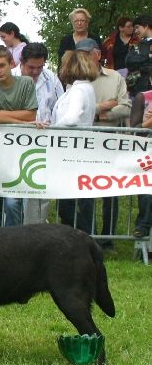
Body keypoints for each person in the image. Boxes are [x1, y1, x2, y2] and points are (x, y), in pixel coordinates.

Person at [76, 37, 131, 247]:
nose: (81, 59)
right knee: (84, 192)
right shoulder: (76, 79)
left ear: (97, 55)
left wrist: (96, 114)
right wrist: (102, 108)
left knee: (111, 194)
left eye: (85, 54)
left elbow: (125, 106)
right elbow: (78, 111)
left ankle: (108, 240)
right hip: (85, 145)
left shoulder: (115, 77)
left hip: (110, 144)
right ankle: (88, 239)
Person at [0, 47, 37, 227]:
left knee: (13, 203)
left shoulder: (27, 83)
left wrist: (2, 115)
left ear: (11, 64)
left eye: (1, 66)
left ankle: (15, 245)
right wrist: (19, 120)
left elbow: (31, 115)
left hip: (18, 152)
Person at [12, 42, 64, 224]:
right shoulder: (10, 78)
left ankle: (36, 232)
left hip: (44, 142)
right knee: (12, 197)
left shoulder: (51, 78)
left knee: (39, 192)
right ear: (22, 62)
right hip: (13, 143)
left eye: (40, 67)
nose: (35, 71)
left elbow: (59, 107)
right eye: (31, 67)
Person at [52, 50, 97, 233]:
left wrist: (52, 128)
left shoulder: (78, 90)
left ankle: (85, 241)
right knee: (71, 204)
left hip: (71, 152)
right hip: (78, 150)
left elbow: (72, 118)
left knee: (67, 206)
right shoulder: (85, 88)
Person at [129, 87, 152, 238]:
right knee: (147, 193)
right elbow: (134, 129)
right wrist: (149, 122)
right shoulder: (143, 98)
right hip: (146, 154)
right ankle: (142, 226)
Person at [125, 13, 152, 96]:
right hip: (138, 90)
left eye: (137, 27)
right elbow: (129, 62)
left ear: (146, 26)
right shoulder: (136, 45)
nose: (135, 31)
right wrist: (148, 57)